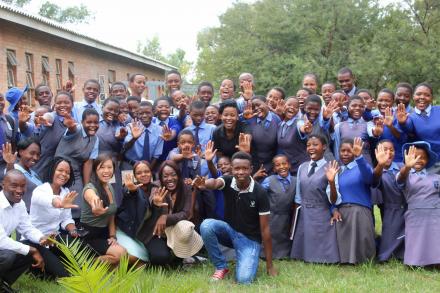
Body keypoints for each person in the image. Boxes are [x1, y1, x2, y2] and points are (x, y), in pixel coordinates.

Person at [195, 151, 276, 284]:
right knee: (207, 225)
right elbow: (214, 182)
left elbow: (265, 230)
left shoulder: (260, 192)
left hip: (249, 240)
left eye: (245, 168)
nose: (240, 172)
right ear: (232, 169)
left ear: (251, 169)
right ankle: (221, 267)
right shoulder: (227, 181)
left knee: (244, 279)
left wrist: (270, 266)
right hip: (230, 231)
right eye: (237, 168)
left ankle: (245, 256)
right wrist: (205, 184)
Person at [0, 170, 66, 291]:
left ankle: (4, 284)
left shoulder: (19, 204)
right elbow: (1, 241)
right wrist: (32, 250)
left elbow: (27, 228)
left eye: (22, 186)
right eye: (14, 185)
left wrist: (41, 238)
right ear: (3, 184)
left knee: (29, 247)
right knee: (8, 255)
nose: (19, 190)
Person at [290, 135, 339, 263]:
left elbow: (333, 200)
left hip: (321, 213)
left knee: (322, 254)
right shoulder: (302, 167)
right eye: (308, 145)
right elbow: (298, 197)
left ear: (324, 147)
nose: (311, 148)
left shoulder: (331, 167)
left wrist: (332, 182)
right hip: (304, 214)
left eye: (315, 144)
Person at [327, 137, 375, 264]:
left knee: (363, 247)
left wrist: (359, 157)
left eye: (349, 151)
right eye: (342, 151)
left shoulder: (362, 166)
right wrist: (334, 209)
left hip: (360, 211)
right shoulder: (337, 170)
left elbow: (370, 179)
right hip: (342, 211)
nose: (345, 154)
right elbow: (333, 198)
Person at [141, 161, 199, 266]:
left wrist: (165, 217)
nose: (170, 179)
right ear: (161, 178)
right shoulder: (156, 186)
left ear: (178, 175)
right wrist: (155, 203)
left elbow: (186, 213)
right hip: (158, 233)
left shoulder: (185, 188)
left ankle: (180, 257)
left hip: (176, 230)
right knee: (160, 258)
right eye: (165, 176)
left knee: (185, 226)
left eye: (173, 175)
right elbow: (152, 199)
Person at [396, 142, 440, 266]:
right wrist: (407, 167)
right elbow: (400, 180)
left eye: (422, 158)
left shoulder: (436, 177)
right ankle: (414, 262)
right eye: (415, 157)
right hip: (415, 214)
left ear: (428, 160)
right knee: (416, 239)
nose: (418, 160)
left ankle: (436, 261)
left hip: (435, 214)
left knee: (435, 238)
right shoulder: (405, 175)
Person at [79, 154, 127, 264]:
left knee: (124, 257)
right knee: (121, 254)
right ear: (95, 169)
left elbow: (111, 215)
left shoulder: (109, 187)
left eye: (109, 167)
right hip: (88, 236)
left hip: (103, 234)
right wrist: (96, 206)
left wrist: (112, 236)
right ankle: (84, 266)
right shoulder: (90, 188)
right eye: (102, 167)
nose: (106, 171)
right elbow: (92, 198)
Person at [54, 108, 100, 219]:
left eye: (96, 122)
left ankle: (75, 226)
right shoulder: (76, 129)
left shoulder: (95, 139)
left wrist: (86, 186)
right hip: (59, 168)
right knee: (58, 198)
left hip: (75, 171)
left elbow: (88, 162)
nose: (92, 125)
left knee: (78, 198)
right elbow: (72, 129)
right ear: (82, 122)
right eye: (89, 122)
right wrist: (70, 125)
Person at [116, 161, 158, 265]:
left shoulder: (155, 188)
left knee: (144, 263)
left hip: (144, 234)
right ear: (134, 175)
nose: (143, 174)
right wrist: (132, 191)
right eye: (139, 173)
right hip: (127, 232)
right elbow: (129, 192)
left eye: (146, 171)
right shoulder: (131, 187)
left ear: (151, 172)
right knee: (137, 259)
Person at [396, 83, 440, 173]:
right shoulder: (411, 117)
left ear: (431, 98)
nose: (422, 97)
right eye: (418, 94)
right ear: (413, 96)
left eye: (427, 95)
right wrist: (402, 122)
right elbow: (408, 128)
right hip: (426, 164)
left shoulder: (438, 110)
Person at [373, 141, 405, 261]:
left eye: (391, 150)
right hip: (390, 209)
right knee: (389, 241)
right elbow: (374, 181)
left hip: (407, 208)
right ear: (377, 152)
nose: (388, 153)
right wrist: (380, 165)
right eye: (384, 149)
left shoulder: (402, 166)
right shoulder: (377, 170)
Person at [30, 157, 79, 237]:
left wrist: (74, 231)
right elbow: (50, 200)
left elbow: (66, 219)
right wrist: (60, 204)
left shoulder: (65, 192)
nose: (64, 174)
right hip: (35, 237)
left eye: (67, 172)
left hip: (54, 238)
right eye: (60, 170)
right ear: (52, 171)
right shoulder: (40, 190)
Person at [32, 91, 76, 179]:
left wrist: (71, 128)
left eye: (66, 102)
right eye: (59, 103)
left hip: (61, 169)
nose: (62, 105)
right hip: (42, 165)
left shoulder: (74, 121)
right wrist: (43, 119)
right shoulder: (52, 116)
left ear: (72, 104)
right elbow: (48, 117)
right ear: (54, 105)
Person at [260, 155, 295, 259]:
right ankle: (265, 254)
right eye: (278, 165)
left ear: (289, 165)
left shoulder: (296, 181)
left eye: (284, 163)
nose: (281, 167)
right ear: (274, 169)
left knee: (283, 235)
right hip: (272, 215)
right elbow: (260, 195)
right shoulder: (269, 180)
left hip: (286, 216)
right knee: (271, 235)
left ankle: (284, 254)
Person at [96, 97, 127, 205]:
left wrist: (120, 137)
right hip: (93, 165)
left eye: (116, 111)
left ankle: (113, 220)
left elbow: (121, 139)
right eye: (109, 109)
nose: (112, 113)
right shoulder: (94, 122)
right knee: (96, 194)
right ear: (102, 107)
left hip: (111, 166)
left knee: (113, 196)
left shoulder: (119, 126)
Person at [3, 138, 43, 211]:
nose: (35, 157)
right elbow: (10, 177)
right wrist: (10, 163)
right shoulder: (15, 169)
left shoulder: (34, 173)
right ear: (21, 152)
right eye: (32, 153)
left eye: (38, 155)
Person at [122, 101, 164, 171]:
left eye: (147, 113)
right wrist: (134, 138)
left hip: (149, 166)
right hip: (130, 165)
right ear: (137, 114)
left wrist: (148, 169)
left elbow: (156, 155)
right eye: (141, 113)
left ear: (153, 112)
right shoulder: (130, 126)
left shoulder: (160, 130)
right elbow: (125, 147)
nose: (144, 116)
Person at [333, 95, 372, 164]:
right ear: (347, 107)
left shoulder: (368, 125)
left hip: (365, 165)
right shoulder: (339, 126)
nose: (357, 108)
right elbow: (337, 149)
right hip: (345, 166)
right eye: (353, 106)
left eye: (361, 106)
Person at [277, 97, 308, 174]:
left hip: (301, 168)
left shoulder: (299, 123)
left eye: (296, 107)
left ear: (298, 110)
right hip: (288, 169)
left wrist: (305, 129)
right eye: (289, 105)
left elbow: (302, 128)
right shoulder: (280, 125)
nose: (292, 108)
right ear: (284, 106)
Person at [153, 97, 182, 163]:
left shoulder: (174, 121)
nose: (164, 109)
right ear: (154, 110)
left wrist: (170, 136)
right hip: (151, 160)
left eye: (167, 107)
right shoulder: (151, 121)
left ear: (170, 109)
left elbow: (175, 130)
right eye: (160, 107)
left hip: (169, 161)